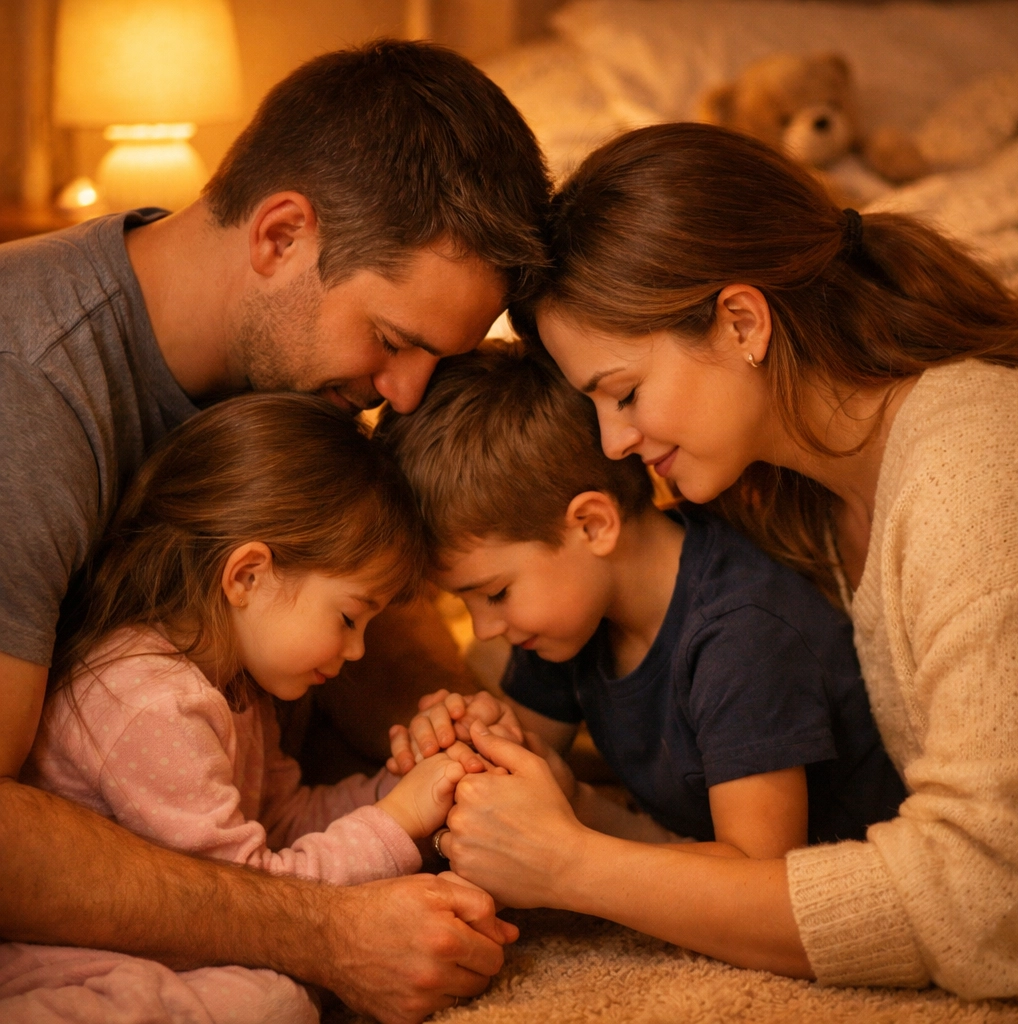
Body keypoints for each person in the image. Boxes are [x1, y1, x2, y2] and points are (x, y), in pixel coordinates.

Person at [0, 39, 549, 1023]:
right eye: (392, 339)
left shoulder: (308, 392)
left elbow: (369, 622)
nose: (404, 394)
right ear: (280, 235)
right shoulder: (28, 389)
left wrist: (456, 733)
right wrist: (327, 933)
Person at [423, 122, 1018, 1000]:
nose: (614, 443)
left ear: (742, 321)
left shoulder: (971, 477)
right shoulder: (790, 499)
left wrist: (572, 868)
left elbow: (985, 900)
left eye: (624, 393)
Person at [2, 393, 505, 1020]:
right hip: (64, 956)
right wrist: (397, 822)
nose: (355, 651)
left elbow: (285, 819)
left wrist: (403, 789)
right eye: (349, 617)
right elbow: (257, 891)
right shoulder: (151, 702)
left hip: (170, 945)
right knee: (273, 1000)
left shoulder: (234, 689)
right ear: (246, 576)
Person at [378, 345, 904, 925]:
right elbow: (528, 762)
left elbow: (763, 876)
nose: (485, 628)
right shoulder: (567, 621)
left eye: (495, 593)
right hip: (694, 848)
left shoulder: (742, 635)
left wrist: (569, 834)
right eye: (465, 602)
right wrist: (466, 749)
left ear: (593, 524)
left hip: (842, 888)